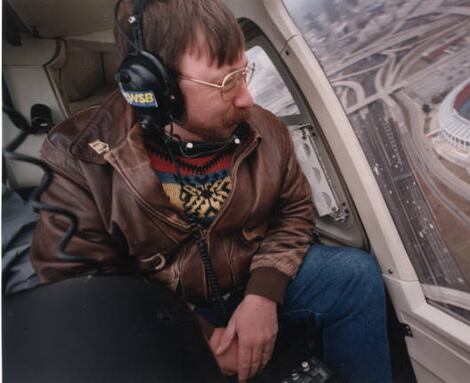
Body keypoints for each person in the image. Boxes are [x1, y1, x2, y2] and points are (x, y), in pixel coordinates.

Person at [30, 0, 392, 381]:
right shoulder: (78, 156)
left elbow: (295, 212)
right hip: (166, 309)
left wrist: (263, 295)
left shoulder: (266, 129)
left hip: (251, 276)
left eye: (243, 73)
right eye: (225, 83)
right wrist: (196, 339)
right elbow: (88, 287)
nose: (246, 99)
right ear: (156, 87)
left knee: (355, 275)